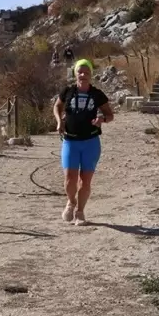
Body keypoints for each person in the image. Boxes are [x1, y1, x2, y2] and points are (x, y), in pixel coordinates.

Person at [53, 58, 113, 225]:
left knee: (85, 180)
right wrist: (59, 121)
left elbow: (110, 114)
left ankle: (80, 212)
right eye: (80, 72)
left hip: (91, 142)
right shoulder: (68, 91)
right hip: (70, 141)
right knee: (70, 178)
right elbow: (57, 106)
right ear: (75, 74)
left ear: (90, 75)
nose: (83, 75)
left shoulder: (97, 94)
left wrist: (102, 120)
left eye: (86, 72)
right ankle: (71, 202)